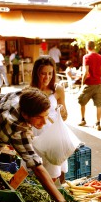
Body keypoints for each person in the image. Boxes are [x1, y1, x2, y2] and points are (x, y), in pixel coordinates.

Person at [0, 87, 78, 202]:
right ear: (24, 114)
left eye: (46, 115)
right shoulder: (17, 128)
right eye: (39, 118)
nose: (44, 122)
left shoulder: (20, 96)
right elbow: (36, 167)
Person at [30, 55, 68, 184]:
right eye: (43, 73)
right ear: (36, 73)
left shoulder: (57, 89)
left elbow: (65, 116)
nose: (47, 77)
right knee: (36, 173)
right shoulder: (30, 91)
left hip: (53, 137)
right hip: (36, 136)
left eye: (50, 73)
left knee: (53, 173)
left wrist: (62, 111)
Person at [78, 40, 101, 131]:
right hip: (98, 83)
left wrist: (82, 83)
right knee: (99, 104)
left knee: (82, 101)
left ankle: (83, 119)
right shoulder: (100, 57)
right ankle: (98, 123)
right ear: (94, 47)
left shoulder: (86, 57)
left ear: (87, 47)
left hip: (89, 83)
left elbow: (86, 72)